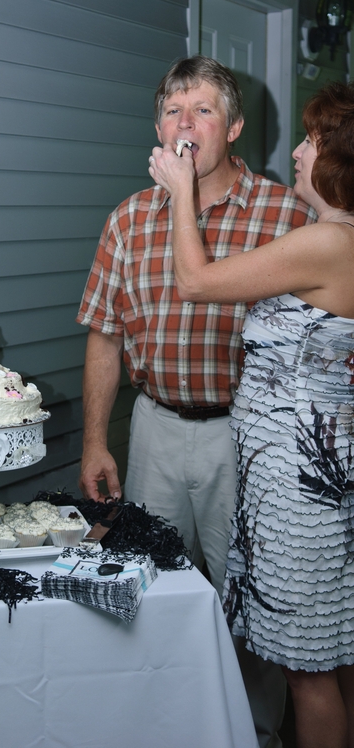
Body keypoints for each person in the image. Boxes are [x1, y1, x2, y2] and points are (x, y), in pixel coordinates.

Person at [76, 55, 316, 748]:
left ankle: (255, 732)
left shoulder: (288, 214)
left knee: (252, 606)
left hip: (249, 437)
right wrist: (95, 441)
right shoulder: (128, 220)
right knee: (145, 589)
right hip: (154, 428)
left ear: (233, 127)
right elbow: (105, 335)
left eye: (202, 110)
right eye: (172, 111)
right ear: (157, 128)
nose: (185, 124)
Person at [150, 81, 354, 748]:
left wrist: (180, 192)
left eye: (311, 141)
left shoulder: (330, 242)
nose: (296, 152)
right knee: (333, 658)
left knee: (307, 673)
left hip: (300, 496)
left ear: (338, 159)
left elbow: (195, 282)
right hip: (303, 478)